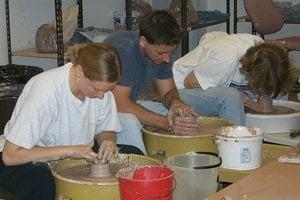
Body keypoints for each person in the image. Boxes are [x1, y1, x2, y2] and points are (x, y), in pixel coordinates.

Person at [104, 10, 244, 154]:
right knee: (131, 122)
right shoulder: (124, 50)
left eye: (170, 52)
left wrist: (176, 104)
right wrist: (167, 123)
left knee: (183, 117)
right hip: (101, 111)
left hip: (129, 103)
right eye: (161, 53)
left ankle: (234, 154)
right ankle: (145, 171)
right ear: (143, 41)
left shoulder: (160, 51)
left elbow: (168, 92)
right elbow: (120, 104)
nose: (167, 59)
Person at [0, 43, 122, 200]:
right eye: (96, 89)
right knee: (43, 182)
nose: (101, 96)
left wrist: (108, 140)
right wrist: (69, 151)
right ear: (79, 71)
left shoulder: (101, 92)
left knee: (131, 156)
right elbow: (10, 156)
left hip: (73, 154)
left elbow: (105, 129)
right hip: (22, 159)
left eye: (107, 90)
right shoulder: (46, 91)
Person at [173, 31, 293, 115]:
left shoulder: (261, 49)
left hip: (215, 78)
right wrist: (239, 95)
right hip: (179, 90)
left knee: (278, 94)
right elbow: (189, 83)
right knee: (232, 98)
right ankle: (237, 142)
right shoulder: (226, 59)